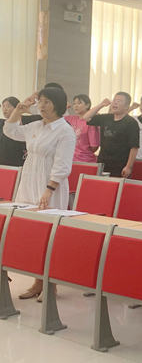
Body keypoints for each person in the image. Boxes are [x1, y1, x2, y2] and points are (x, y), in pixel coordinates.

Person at [4, 89, 75, 301]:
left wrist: (49, 189)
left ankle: (50, 285)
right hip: (28, 183)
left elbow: (63, 165)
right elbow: (10, 130)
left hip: (49, 187)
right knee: (32, 236)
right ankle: (37, 282)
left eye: (47, 102)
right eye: (40, 101)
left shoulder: (64, 130)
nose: (41, 106)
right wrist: (19, 109)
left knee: (49, 237)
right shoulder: (35, 125)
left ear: (58, 104)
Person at [83, 92, 140, 178]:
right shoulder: (107, 118)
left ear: (126, 106)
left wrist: (128, 166)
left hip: (120, 165)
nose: (115, 103)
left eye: (119, 101)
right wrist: (101, 104)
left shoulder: (131, 123)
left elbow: (134, 147)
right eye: (114, 100)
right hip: (103, 162)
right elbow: (86, 117)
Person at [1, 97, 42, 166]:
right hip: (5, 161)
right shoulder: (2, 123)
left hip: (24, 161)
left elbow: (45, 115)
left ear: (16, 107)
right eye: (3, 106)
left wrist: (29, 109)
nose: (4, 109)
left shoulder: (30, 120)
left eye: (8, 106)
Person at [64, 94, 100, 163]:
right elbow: (55, 118)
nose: (76, 106)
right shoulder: (71, 118)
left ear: (87, 105)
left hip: (85, 160)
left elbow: (94, 146)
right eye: (74, 104)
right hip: (70, 159)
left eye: (79, 103)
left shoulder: (90, 122)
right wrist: (64, 107)